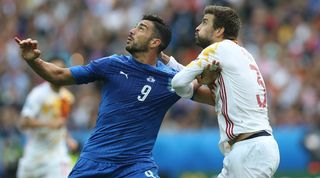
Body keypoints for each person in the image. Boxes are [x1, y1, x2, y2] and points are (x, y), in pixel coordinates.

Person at [15, 14, 216, 178]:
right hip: (94, 162)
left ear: (155, 42)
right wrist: (34, 61)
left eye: (141, 28)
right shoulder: (112, 65)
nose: (132, 31)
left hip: (136, 166)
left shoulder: (171, 79)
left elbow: (211, 98)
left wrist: (214, 78)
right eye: (135, 27)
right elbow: (58, 75)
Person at [171, 5, 280, 178]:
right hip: (252, 147)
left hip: (249, 150)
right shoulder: (242, 53)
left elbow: (178, 83)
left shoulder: (219, 49)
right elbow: (214, 97)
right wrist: (170, 62)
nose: (198, 27)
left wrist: (197, 85)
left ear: (219, 30)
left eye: (205, 22)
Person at [17, 57, 78, 178]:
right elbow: (23, 122)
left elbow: (60, 122)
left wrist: (68, 139)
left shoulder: (68, 98)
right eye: (52, 69)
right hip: (34, 156)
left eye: (59, 70)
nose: (55, 73)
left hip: (56, 156)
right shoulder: (38, 94)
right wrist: (48, 123)